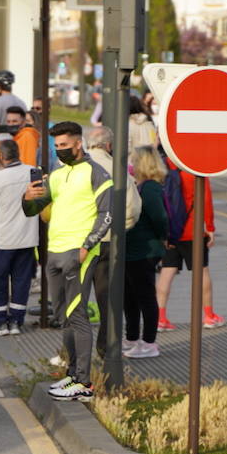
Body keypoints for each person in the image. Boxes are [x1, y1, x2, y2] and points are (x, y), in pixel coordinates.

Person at [23, 121, 112, 401]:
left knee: (78, 315)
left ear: (78, 143)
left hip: (79, 253)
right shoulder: (58, 176)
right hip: (54, 253)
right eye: (56, 146)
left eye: (64, 145)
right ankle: (72, 375)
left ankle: (84, 383)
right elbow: (32, 210)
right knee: (63, 316)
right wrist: (27, 198)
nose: (60, 150)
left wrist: (87, 246)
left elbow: (107, 214)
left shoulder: (96, 173)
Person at [84, 124, 141, 347]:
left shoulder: (74, 167)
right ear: (109, 145)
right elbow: (133, 209)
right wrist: (118, 228)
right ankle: (105, 347)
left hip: (78, 241)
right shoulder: (118, 170)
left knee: (75, 299)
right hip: (108, 242)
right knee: (106, 298)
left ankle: (73, 351)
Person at [155, 155, 226, 330]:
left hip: (171, 232)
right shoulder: (196, 168)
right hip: (193, 231)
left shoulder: (165, 166)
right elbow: (206, 200)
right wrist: (210, 227)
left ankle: (160, 318)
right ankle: (209, 316)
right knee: (202, 273)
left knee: (166, 272)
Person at [0, 140, 39, 336]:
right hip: (29, 237)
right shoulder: (34, 172)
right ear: (18, 153)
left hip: (2, 239)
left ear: (2, 157)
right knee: (22, 281)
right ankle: (16, 322)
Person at [124, 147, 169, 359]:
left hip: (144, 249)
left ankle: (149, 342)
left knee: (144, 297)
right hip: (134, 250)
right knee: (130, 296)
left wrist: (163, 237)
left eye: (134, 161)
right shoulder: (140, 185)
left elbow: (159, 217)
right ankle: (132, 337)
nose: (131, 164)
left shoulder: (150, 188)